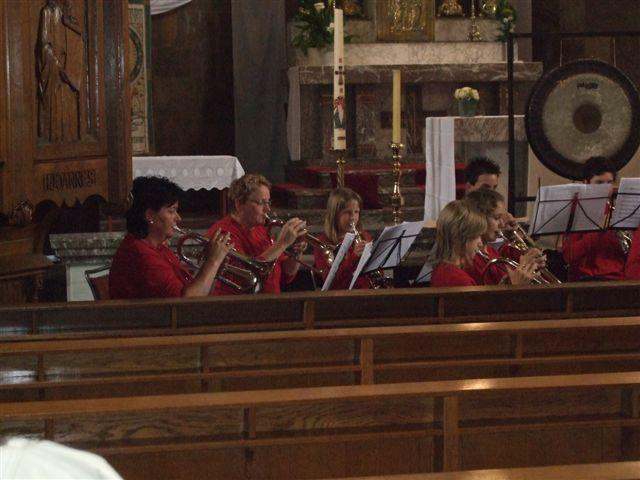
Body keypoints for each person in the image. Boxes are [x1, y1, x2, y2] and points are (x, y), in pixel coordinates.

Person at [109, 176, 231, 299]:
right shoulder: (141, 254)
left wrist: (213, 272)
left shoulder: (158, 248)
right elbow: (187, 303)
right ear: (150, 215)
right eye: (171, 211)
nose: (178, 218)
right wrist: (212, 262)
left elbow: (194, 291)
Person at [207, 174, 307, 295]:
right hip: (240, 303)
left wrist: (295, 252)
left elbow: (287, 274)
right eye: (261, 202)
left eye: (268, 202)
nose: (267, 209)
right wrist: (282, 243)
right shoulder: (223, 232)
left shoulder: (260, 229)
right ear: (239, 204)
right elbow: (244, 280)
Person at [562, 157, 626, 281]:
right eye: (599, 183)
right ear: (586, 183)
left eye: (609, 183)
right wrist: (597, 230)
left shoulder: (617, 210)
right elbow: (569, 256)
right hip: (587, 280)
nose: (606, 188)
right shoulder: (577, 210)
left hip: (618, 279)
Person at [465, 189, 541, 285]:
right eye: (497, 218)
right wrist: (518, 282)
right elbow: (493, 292)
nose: (502, 224)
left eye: (501, 218)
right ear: (480, 218)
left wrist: (532, 266)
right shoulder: (472, 259)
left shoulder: (492, 251)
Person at [314, 188, 371, 290]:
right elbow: (331, 283)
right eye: (347, 212)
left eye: (356, 212)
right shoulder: (322, 242)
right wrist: (354, 257)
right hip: (340, 296)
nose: (353, 217)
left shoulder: (364, 236)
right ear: (335, 214)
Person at [429, 200, 486, 287]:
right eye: (476, 236)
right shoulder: (460, 280)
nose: (480, 243)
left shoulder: (442, 269)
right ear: (458, 238)